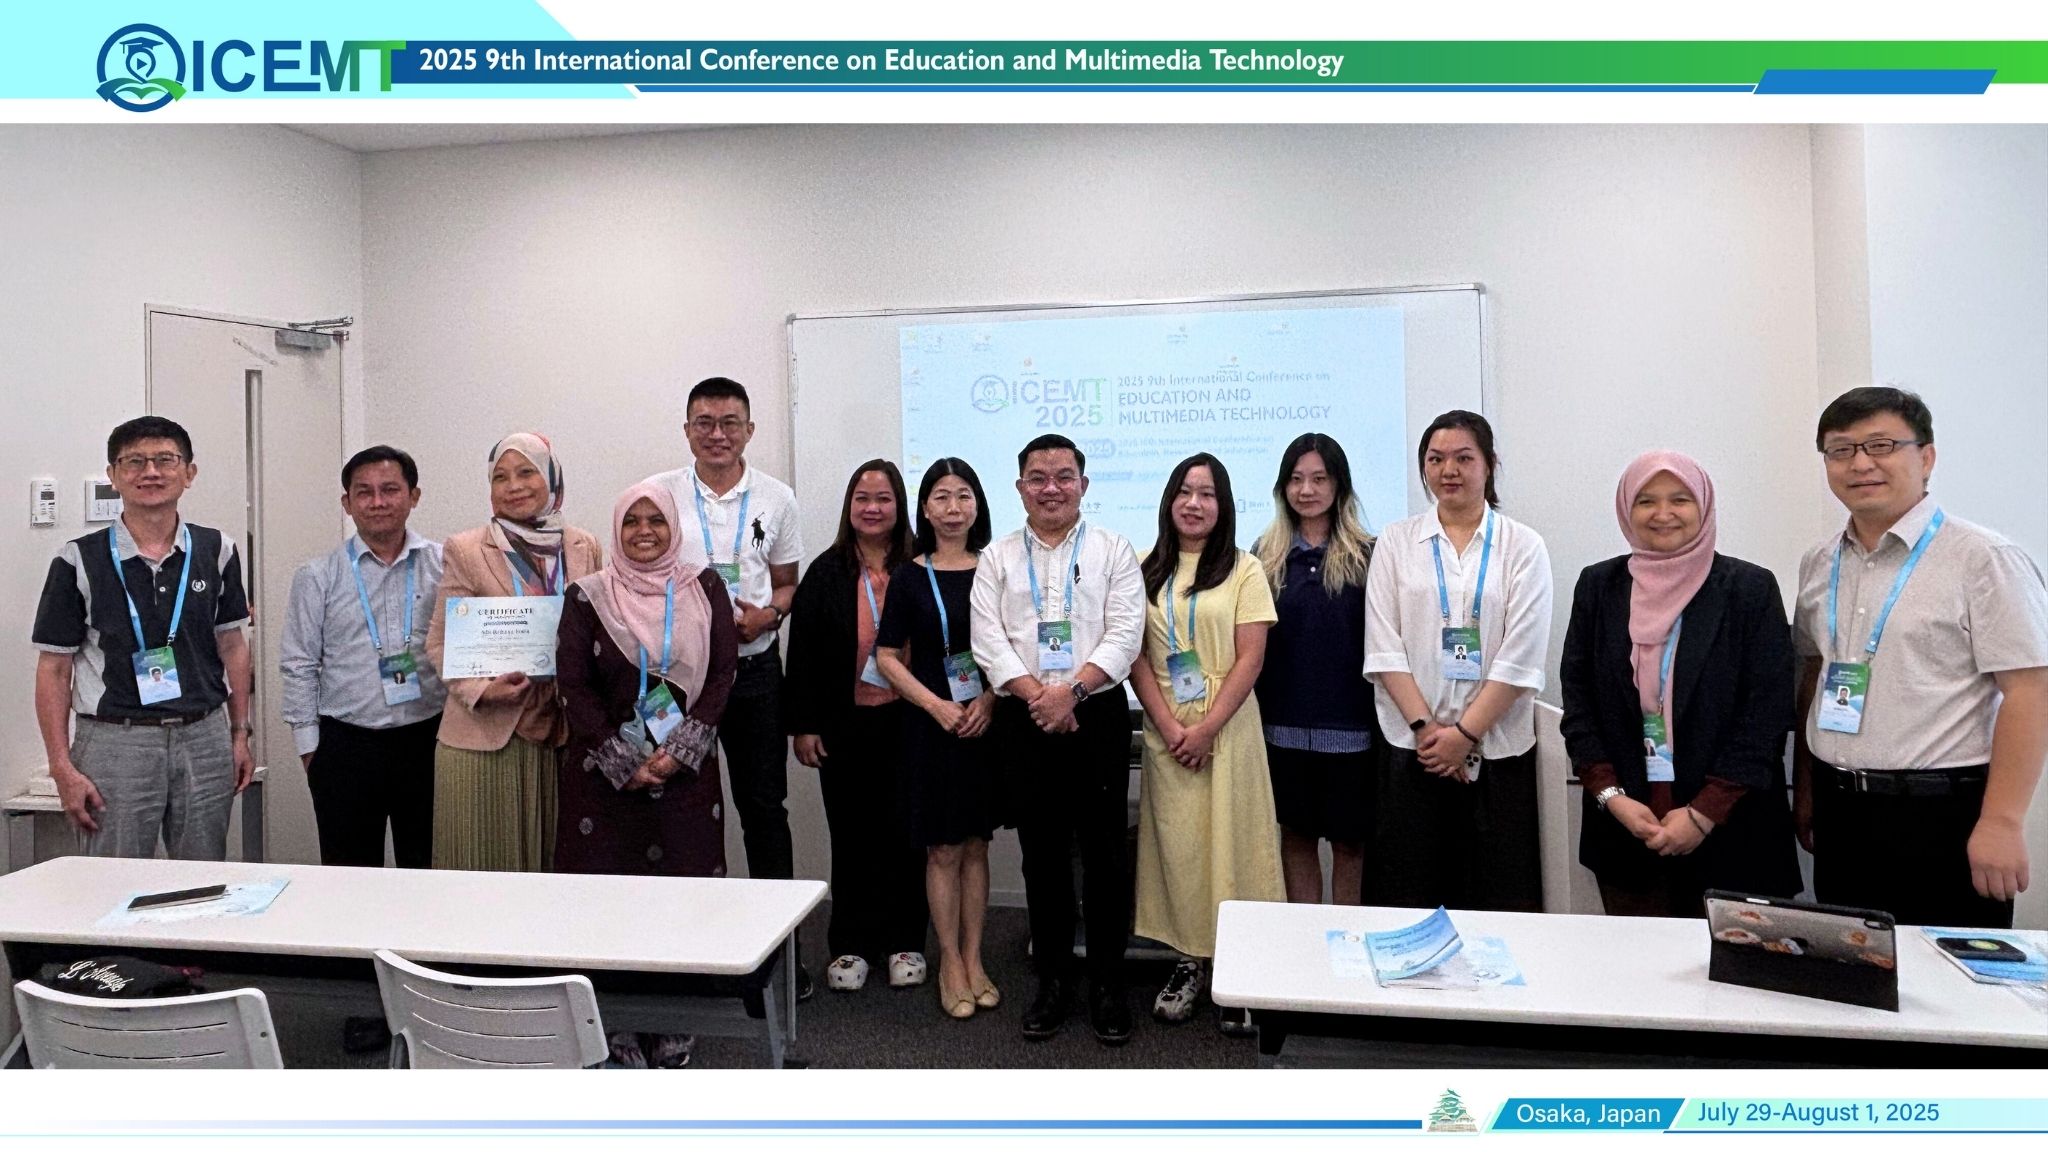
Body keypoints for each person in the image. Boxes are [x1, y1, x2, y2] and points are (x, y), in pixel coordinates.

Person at [1792, 387, 2048, 929]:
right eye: (1841, 450)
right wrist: (1808, 790)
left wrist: (2002, 821)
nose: (1861, 463)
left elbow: (2030, 692)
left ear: (1926, 457)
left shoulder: (1984, 559)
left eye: (1881, 445)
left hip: (1943, 814)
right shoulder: (1819, 561)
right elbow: (1815, 673)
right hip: (1841, 809)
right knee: (1853, 969)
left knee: (1948, 975)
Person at [1560, 451, 1800, 917]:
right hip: (1626, 832)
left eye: (1680, 499)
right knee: (1637, 960)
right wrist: (1612, 799)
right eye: (1646, 500)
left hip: (1733, 834)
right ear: (1626, 508)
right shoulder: (1598, 585)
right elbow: (1579, 701)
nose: (1663, 513)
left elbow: (1766, 714)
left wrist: (1703, 814)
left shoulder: (1749, 589)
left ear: (1704, 506)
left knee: (1733, 963)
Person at [970, 433, 1146, 1046]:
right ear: (1020, 488)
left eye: (1064, 476)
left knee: (1105, 856)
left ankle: (1107, 984)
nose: (1052, 488)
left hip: (1096, 714)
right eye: (1038, 478)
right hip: (1024, 719)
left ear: (1083, 485)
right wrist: (1038, 697)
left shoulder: (1113, 550)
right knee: (1041, 856)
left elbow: (1126, 633)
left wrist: (1069, 693)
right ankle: (1051, 980)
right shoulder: (996, 558)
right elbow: (988, 640)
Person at [556, 482, 738, 1069]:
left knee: (682, 897)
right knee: (610, 903)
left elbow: (723, 675)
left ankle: (676, 1017)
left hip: (686, 776)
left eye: (655, 520)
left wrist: (681, 750)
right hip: (603, 782)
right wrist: (621, 761)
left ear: (673, 527)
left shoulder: (704, 587)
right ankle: (614, 1020)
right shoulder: (587, 595)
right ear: (616, 529)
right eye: (631, 521)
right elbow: (573, 685)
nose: (643, 532)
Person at [646, 377, 810, 998]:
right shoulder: (659, 494)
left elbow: (786, 583)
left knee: (764, 811)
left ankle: (782, 958)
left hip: (754, 672)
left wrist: (769, 615)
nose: (718, 434)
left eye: (730, 423)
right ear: (687, 429)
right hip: (679, 680)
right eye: (705, 423)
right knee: (678, 809)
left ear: (749, 429)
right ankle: (685, 953)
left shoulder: (777, 497)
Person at [32, 416, 255, 859]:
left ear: (188, 473)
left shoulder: (218, 550)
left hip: (203, 737)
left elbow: (233, 647)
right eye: (134, 461)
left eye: (165, 460)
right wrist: (61, 767)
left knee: (203, 877)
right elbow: (54, 669)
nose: (150, 472)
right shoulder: (78, 559)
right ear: (113, 476)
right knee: (112, 880)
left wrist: (238, 734)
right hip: (116, 742)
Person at [1365, 410, 1553, 912]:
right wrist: (1430, 733)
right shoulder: (1396, 542)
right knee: (1409, 900)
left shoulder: (1523, 546)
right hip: (1413, 749)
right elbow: (1384, 647)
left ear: (1490, 464)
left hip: (1497, 754)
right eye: (1435, 459)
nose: (1448, 470)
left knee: (1496, 904)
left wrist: (1464, 735)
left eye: (1463, 458)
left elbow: (1520, 657)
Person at [1128, 454, 1282, 1034]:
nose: (1194, 504)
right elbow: (1135, 656)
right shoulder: (1143, 568)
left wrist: (1208, 727)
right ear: (1170, 500)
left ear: (1224, 505)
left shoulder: (1244, 568)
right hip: (1167, 728)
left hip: (1228, 727)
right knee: (1182, 851)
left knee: (1235, 843)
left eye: (1208, 493)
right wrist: (1170, 728)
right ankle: (1190, 961)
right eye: (1185, 492)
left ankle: (1242, 969)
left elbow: (1252, 658)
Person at [425, 433, 603, 871]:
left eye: (526, 472)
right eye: (500, 477)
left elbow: (600, 632)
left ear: (551, 478)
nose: (514, 486)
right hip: (485, 739)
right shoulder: (466, 549)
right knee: (484, 876)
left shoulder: (585, 547)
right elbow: (440, 642)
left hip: (562, 735)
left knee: (555, 874)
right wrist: (482, 690)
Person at [784, 460, 928, 994]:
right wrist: (803, 725)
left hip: (910, 722)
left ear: (900, 506)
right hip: (845, 726)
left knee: (906, 836)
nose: (872, 508)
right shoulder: (826, 572)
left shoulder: (921, 565)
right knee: (851, 837)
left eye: (883, 498)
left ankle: (905, 940)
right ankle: (851, 943)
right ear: (849, 507)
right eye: (862, 498)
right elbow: (801, 654)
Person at [874, 458, 1001, 1019]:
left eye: (964, 495)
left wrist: (989, 700)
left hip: (985, 721)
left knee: (976, 844)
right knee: (942, 848)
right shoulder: (908, 575)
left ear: (978, 505)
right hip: (931, 725)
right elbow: (886, 656)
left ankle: (975, 957)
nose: (954, 508)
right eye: (942, 497)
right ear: (924, 508)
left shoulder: (997, 567)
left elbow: (1015, 644)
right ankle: (948, 959)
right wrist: (936, 706)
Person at [280, 445, 445, 870]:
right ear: (347, 503)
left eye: (390, 489)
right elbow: (299, 665)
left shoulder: (445, 565)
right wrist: (310, 750)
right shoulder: (317, 576)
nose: (377, 502)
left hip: (428, 739)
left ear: (414, 496)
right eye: (364, 492)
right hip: (346, 745)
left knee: (429, 870)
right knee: (348, 875)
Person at [1251, 433, 1378, 908]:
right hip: (1281, 728)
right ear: (1283, 488)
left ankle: (1346, 938)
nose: (1307, 490)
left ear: (1338, 485)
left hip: (1351, 731)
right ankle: (1304, 939)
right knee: (1296, 838)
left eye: (1319, 479)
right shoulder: (1263, 555)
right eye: (1296, 479)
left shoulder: (1369, 554)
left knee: (1350, 844)